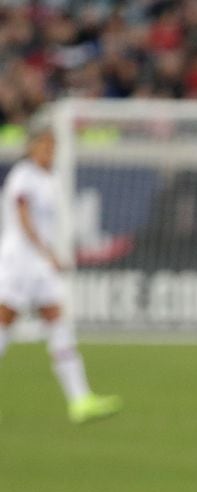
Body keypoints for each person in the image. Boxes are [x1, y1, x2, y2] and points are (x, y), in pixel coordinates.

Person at [0, 121, 121, 424]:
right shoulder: (23, 176)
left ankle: (80, 400)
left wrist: (47, 255)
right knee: (4, 323)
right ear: (31, 146)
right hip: (19, 262)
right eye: (46, 145)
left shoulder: (48, 178)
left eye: (53, 146)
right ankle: (80, 399)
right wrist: (48, 254)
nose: (51, 151)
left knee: (57, 321)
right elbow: (23, 219)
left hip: (38, 263)